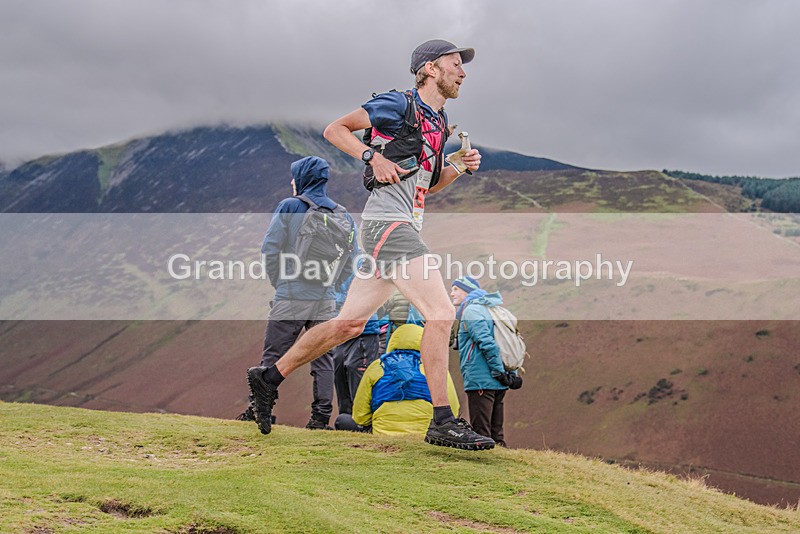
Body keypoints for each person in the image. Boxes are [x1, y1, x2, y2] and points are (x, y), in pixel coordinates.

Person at [248, 39, 493, 450]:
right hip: (387, 226)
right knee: (440, 311)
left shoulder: (438, 120)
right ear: (430, 69)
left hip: (400, 227)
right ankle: (443, 421)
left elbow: (426, 186)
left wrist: (456, 166)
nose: (463, 72)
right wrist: (369, 157)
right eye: (455, 64)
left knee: (350, 325)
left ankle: (268, 377)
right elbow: (334, 129)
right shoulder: (399, 104)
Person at [240, 155, 356, 430]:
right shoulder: (342, 214)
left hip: (292, 293)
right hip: (326, 298)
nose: (292, 181)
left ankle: (260, 411)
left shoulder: (290, 206)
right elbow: (351, 258)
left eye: (295, 176)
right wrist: (334, 288)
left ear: (303, 177)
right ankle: (319, 419)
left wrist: (280, 283)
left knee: (273, 354)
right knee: (323, 357)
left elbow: (270, 248)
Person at [336, 324, 460, 435]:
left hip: (383, 435)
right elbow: (453, 410)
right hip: (424, 435)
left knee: (342, 420)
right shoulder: (434, 368)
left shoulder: (377, 367)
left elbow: (360, 416)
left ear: (392, 341)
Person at [450, 276, 520, 447]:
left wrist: (498, 371)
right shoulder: (489, 309)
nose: (451, 293)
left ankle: (484, 466)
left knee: (481, 432)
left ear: (467, 291)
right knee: (496, 432)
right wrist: (510, 373)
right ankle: (502, 465)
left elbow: (486, 342)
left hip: (482, 378)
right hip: (498, 379)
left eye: (455, 289)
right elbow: (508, 342)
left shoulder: (472, 311)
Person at [332, 273, 382, 416]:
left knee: (358, 377)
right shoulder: (334, 263)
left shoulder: (361, 262)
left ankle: (364, 422)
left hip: (364, 330)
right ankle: (346, 423)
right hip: (340, 330)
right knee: (339, 375)